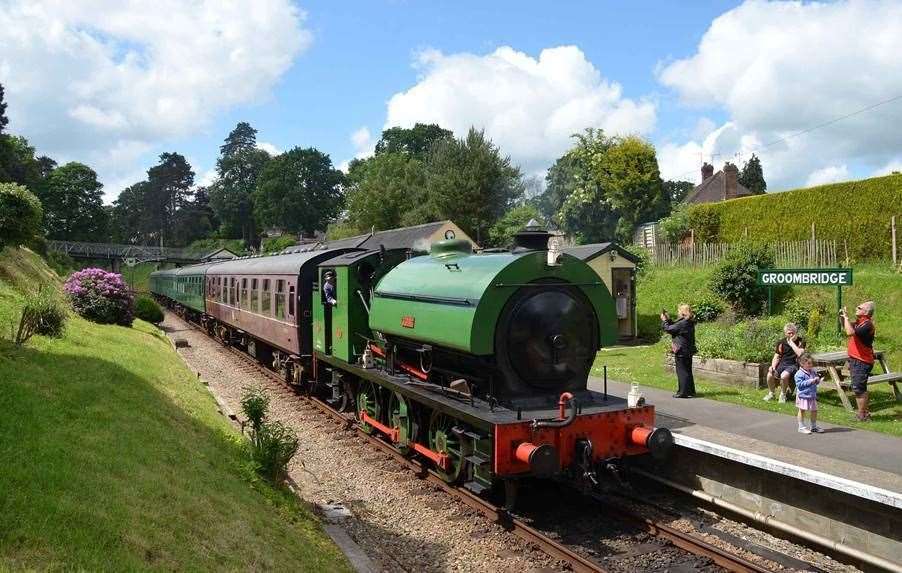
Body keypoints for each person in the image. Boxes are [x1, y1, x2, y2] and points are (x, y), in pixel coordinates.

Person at [841, 301, 876, 421]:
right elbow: (847, 327)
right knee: (859, 388)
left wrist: (846, 317)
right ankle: (863, 413)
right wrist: (842, 317)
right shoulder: (860, 322)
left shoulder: (867, 325)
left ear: (865, 312)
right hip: (857, 360)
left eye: (859, 307)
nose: (856, 308)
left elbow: (849, 332)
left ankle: (862, 415)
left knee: (859, 388)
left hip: (862, 361)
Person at [764, 323, 805, 403]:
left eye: (793, 332)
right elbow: (776, 357)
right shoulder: (781, 342)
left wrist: (791, 343)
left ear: (796, 332)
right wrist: (773, 367)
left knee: (784, 375)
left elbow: (800, 353)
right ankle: (771, 393)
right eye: (789, 333)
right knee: (770, 374)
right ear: (785, 333)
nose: (791, 334)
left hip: (794, 364)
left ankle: (783, 395)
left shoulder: (801, 341)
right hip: (782, 364)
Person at [662, 303, 696, 398]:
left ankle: (683, 392)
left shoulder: (683, 323)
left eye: (679, 311)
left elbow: (668, 329)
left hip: (682, 350)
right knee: (688, 371)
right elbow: (674, 326)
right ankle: (690, 391)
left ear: (682, 312)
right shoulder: (688, 321)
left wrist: (664, 321)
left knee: (682, 371)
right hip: (688, 349)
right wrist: (668, 319)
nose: (678, 313)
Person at [794, 353, 823, 434]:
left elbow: (814, 382)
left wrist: (817, 381)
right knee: (802, 410)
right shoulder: (799, 374)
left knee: (814, 410)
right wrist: (811, 381)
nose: (811, 365)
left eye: (811, 363)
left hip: (812, 395)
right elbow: (800, 385)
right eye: (808, 363)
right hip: (803, 396)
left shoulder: (812, 372)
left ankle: (813, 426)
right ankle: (801, 427)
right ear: (802, 364)